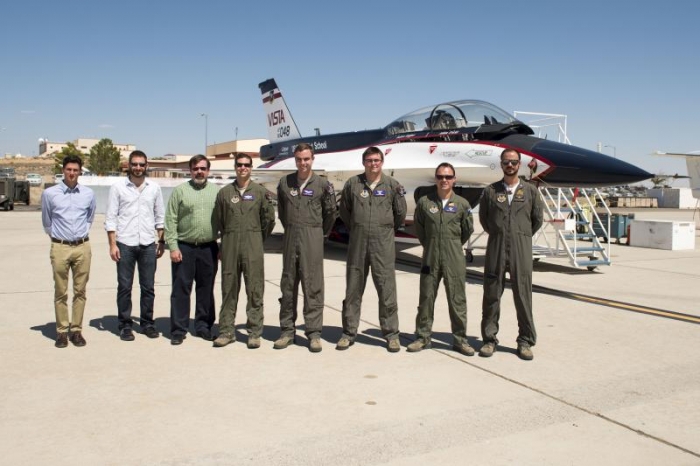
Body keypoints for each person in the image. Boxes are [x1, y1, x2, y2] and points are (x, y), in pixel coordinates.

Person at [337, 146, 406, 352]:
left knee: (387, 290)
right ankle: (348, 333)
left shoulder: (392, 185)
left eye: (376, 160)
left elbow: (399, 214)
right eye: (369, 160)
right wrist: (358, 228)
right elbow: (345, 212)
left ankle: (391, 334)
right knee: (353, 290)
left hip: (382, 245)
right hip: (358, 244)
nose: (373, 164)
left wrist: (382, 229)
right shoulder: (352, 184)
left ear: (382, 162)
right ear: (363, 163)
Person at [479, 148, 543, 360]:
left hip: (520, 248)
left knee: (523, 296)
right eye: (506, 162)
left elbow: (537, 220)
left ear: (519, 164)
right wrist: (500, 233)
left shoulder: (531, 191)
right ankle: (489, 340)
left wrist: (520, 236)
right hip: (496, 247)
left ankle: (525, 341)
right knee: (491, 295)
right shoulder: (490, 191)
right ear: (501, 163)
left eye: (514, 162)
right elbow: (485, 220)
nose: (510, 165)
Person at [273, 143, 337, 353]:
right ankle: (287, 332)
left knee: (313, 287)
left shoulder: (323, 185)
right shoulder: (285, 183)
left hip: (313, 237)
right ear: (295, 159)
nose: (303, 163)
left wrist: (318, 233)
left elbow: (330, 213)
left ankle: (314, 333)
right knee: (288, 285)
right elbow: (282, 212)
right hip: (291, 237)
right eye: (299, 159)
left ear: (312, 159)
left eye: (306, 159)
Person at [407, 163, 475, 355]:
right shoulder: (424, 202)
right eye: (440, 177)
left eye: (448, 177)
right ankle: (422, 337)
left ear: (454, 179)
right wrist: (432, 244)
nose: (444, 180)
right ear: (435, 179)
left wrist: (451, 244)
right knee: (426, 298)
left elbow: (467, 230)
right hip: (431, 255)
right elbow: (420, 229)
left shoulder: (462, 204)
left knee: (457, 300)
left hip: (454, 255)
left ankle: (460, 340)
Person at [213, 153, 275, 349]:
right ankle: (226, 331)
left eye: (246, 165)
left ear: (251, 167)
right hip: (230, 245)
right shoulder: (224, 193)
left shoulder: (260, 192)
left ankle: (254, 332)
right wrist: (225, 241)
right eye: (239, 165)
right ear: (235, 167)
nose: (243, 168)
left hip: (253, 246)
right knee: (228, 289)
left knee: (255, 290)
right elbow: (218, 220)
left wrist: (256, 237)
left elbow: (269, 220)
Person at [104, 150, 165, 341]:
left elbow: (160, 217)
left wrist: (161, 241)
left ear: (146, 166)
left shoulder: (154, 188)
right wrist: (113, 245)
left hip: (147, 244)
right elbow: (111, 218)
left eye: (141, 164)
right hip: (125, 244)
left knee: (148, 287)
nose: (138, 168)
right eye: (135, 164)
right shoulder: (118, 188)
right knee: (124, 287)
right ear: (128, 166)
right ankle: (124, 325)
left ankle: (147, 323)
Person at [41, 155, 96, 348]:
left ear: (80, 171)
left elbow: (90, 218)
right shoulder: (50, 194)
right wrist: (58, 240)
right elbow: (47, 222)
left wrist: (79, 236)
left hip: (82, 247)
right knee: (61, 291)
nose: (72, 173)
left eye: (75, 170)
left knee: (80, 291)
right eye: (68, 169)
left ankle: (76, 331)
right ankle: (62, 332)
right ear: (63, 170)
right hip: (60, 247)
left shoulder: (88, 194)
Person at [164, 154, 220, 345]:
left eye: (203, 168)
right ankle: (179, 329)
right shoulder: (180, 191)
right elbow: (170, 220)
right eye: (196, 168)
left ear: (208, 171)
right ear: (190, 170)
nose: (199, 172)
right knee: (181, 289)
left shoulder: (216, 192)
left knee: (206, 289)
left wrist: (221, 245)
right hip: (184, 247)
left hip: (208, 248)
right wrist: (172, 246)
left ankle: (203, 326)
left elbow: (223, 220)